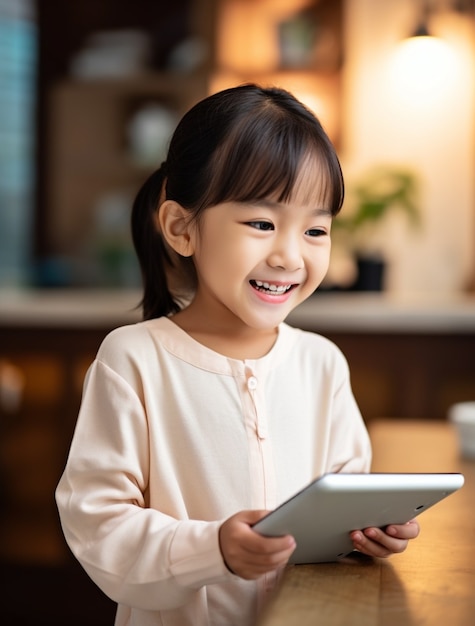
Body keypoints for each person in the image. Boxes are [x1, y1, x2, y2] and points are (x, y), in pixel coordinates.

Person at [55, 84, 419, 626]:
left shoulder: (322, 364)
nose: (289, 255)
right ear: (181, 227)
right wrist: (214, 549)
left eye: (316, 230)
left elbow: (343, 500)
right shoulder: (133, 359)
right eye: (261, 224)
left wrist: (369, 532)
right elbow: (98, 524)